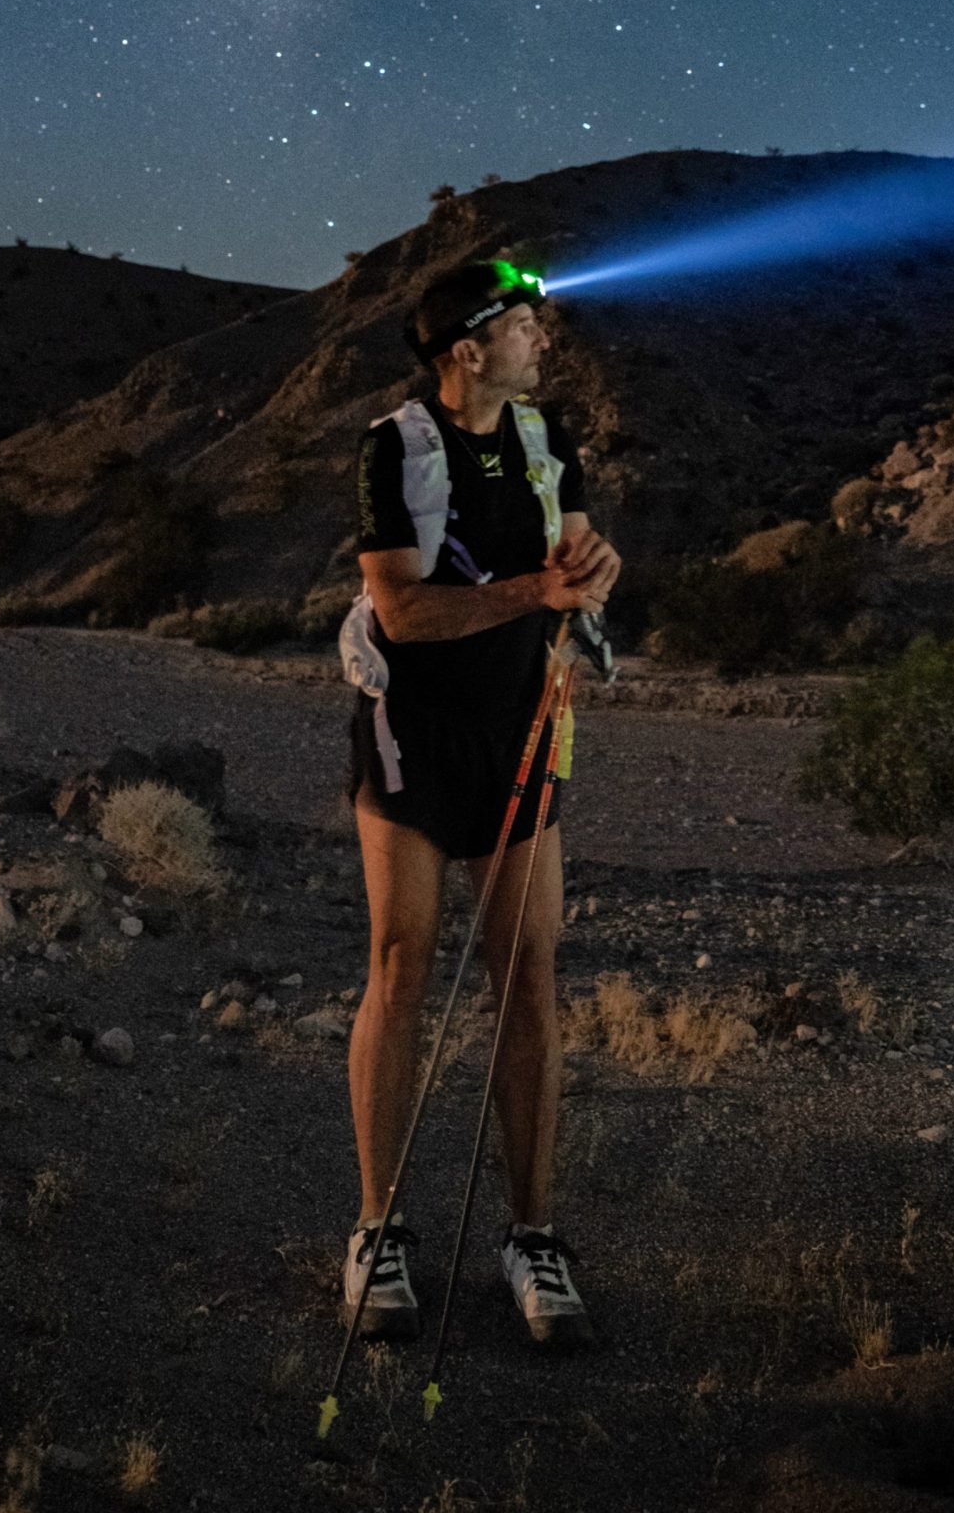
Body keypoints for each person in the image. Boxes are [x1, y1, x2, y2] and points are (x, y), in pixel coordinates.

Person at [342, 260, 621, 1349]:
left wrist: (591, 572)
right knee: (402, 969)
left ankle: (532, 1235)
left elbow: (575, 559)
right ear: (466, 349)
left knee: (528, 980)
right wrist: (531, 593)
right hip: (412, 732)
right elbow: (401, 613)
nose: (542, 334)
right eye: (521, 322)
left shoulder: (547, 439)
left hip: (522, 726)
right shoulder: (394, 447)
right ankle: (376, 1231)